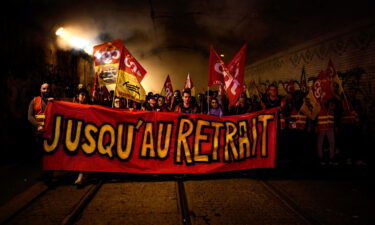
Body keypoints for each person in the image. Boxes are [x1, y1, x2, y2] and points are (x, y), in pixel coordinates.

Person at [28, 82, 54, 184]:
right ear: (40, 90)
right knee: (41, 154)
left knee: (49, 154)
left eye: (47, 89)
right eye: (44, 89)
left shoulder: (52, 101)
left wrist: (54, 103)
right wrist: (38, 126)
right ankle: (44, 174)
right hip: (39, 133)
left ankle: (49, 175)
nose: (46, 91)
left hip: (50, 133)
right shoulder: (34, 101)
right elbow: (30, 116)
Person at [316, 98, 337, 166]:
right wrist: (315, 126)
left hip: (330, 127)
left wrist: (335, 126)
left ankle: (331, 159)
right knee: (320, 143)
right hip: (321, 127)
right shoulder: (319, 105)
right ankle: (320, 158)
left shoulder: (332, 104)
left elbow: (335, 116)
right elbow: (315, 116)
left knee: (332, 142)